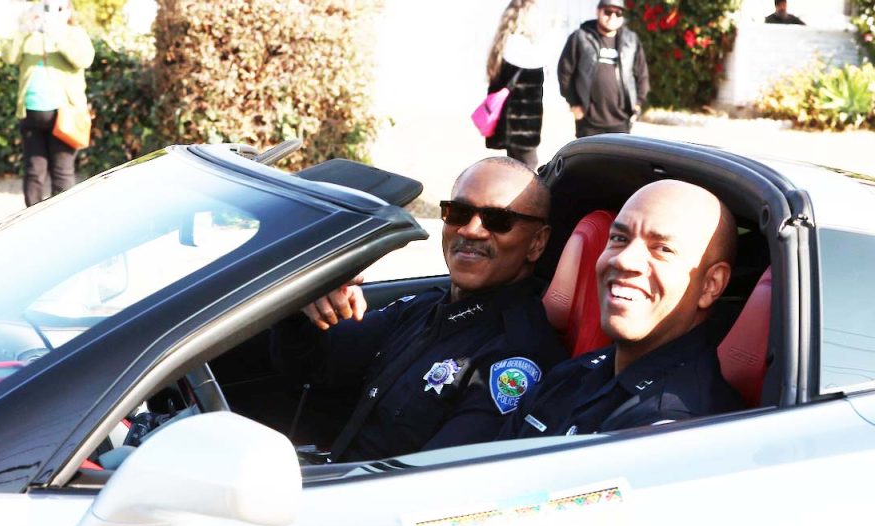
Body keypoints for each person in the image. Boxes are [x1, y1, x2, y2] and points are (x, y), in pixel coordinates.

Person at [270, 157, 568, 463]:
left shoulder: (514, 357)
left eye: (498, 220)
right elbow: (313, 363)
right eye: (459, 213)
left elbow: (434, 479)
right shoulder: (425, 307)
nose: (470, 230)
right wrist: (306, 302)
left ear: (537, 243)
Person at [499, 180, 743, 438]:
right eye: (618, 238)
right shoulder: (572, 375)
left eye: (662, 249)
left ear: (710, 285)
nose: (624, 259)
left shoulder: (676, 427)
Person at [6, 0, 94, 207]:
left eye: (59, 8)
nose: (52, 12)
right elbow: (9, 57)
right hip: (31, 113)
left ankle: (63, 223)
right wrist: (23, 29)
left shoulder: (74, 34)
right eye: (47, 7)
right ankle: (32, 222)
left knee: (62, 172)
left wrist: (56, 33)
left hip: (65, 116)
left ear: (68, 11)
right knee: (34, 172)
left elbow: (83, 59)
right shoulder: (30, 35)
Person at [557, 0, 649, 138]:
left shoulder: (631, 40)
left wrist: (637, 105)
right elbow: (565, 71)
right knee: (588, 159)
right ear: (598, 12)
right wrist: (574, 103)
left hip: (621, 119)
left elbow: (642, 74)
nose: (612, 17)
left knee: (619, 159)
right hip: (588, 119)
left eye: (618, 13)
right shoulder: (580, 37)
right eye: (608, 12)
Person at [485, 0, 546, 170]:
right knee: (528, 167)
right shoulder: (521, 46)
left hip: (510, 123)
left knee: (514, 167)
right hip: (522, 125)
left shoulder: (505, 43)